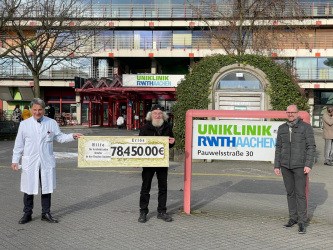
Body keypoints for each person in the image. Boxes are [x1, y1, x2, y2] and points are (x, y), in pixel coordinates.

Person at [11, 98, 83, 224]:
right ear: (31, 109)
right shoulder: (24, 124)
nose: (37, 112)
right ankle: (27, 213)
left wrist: (72, 136)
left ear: (44, 110)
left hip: (45, 160)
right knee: (29, 188)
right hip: (30, 161)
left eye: (40, 110)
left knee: (46, 187)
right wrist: (15, 160)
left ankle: (46, 213)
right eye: (35, 110)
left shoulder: (51, 123)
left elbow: (60, 137)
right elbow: (19, 144)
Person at [274, 105, 316, 234]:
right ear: (286, 113)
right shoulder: (282, 128)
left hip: (300, 166)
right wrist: (277, 165)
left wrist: (308, 164)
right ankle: (293, 217)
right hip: (285, 166)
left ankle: (302, 221)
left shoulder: (306, 127)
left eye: (293, 112)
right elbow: (279, 148)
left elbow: (311, 147)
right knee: (290, 193)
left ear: (297, 113)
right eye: (289, 112)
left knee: (300, 194)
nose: (291, 114)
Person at [138, 104, 175, 223]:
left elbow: (171, 142)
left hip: (162, 161)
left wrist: (172, 142)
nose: (157, 115)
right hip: (148, 162)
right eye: (155, 113)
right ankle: (143, 212)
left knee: (163, 187)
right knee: (146, 187)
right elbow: (138, 146)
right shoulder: (144, 128)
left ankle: (162, 211)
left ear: (163, 115)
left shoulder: (167, 127)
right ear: (151, 115)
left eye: (159, 114)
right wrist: (136, 160)